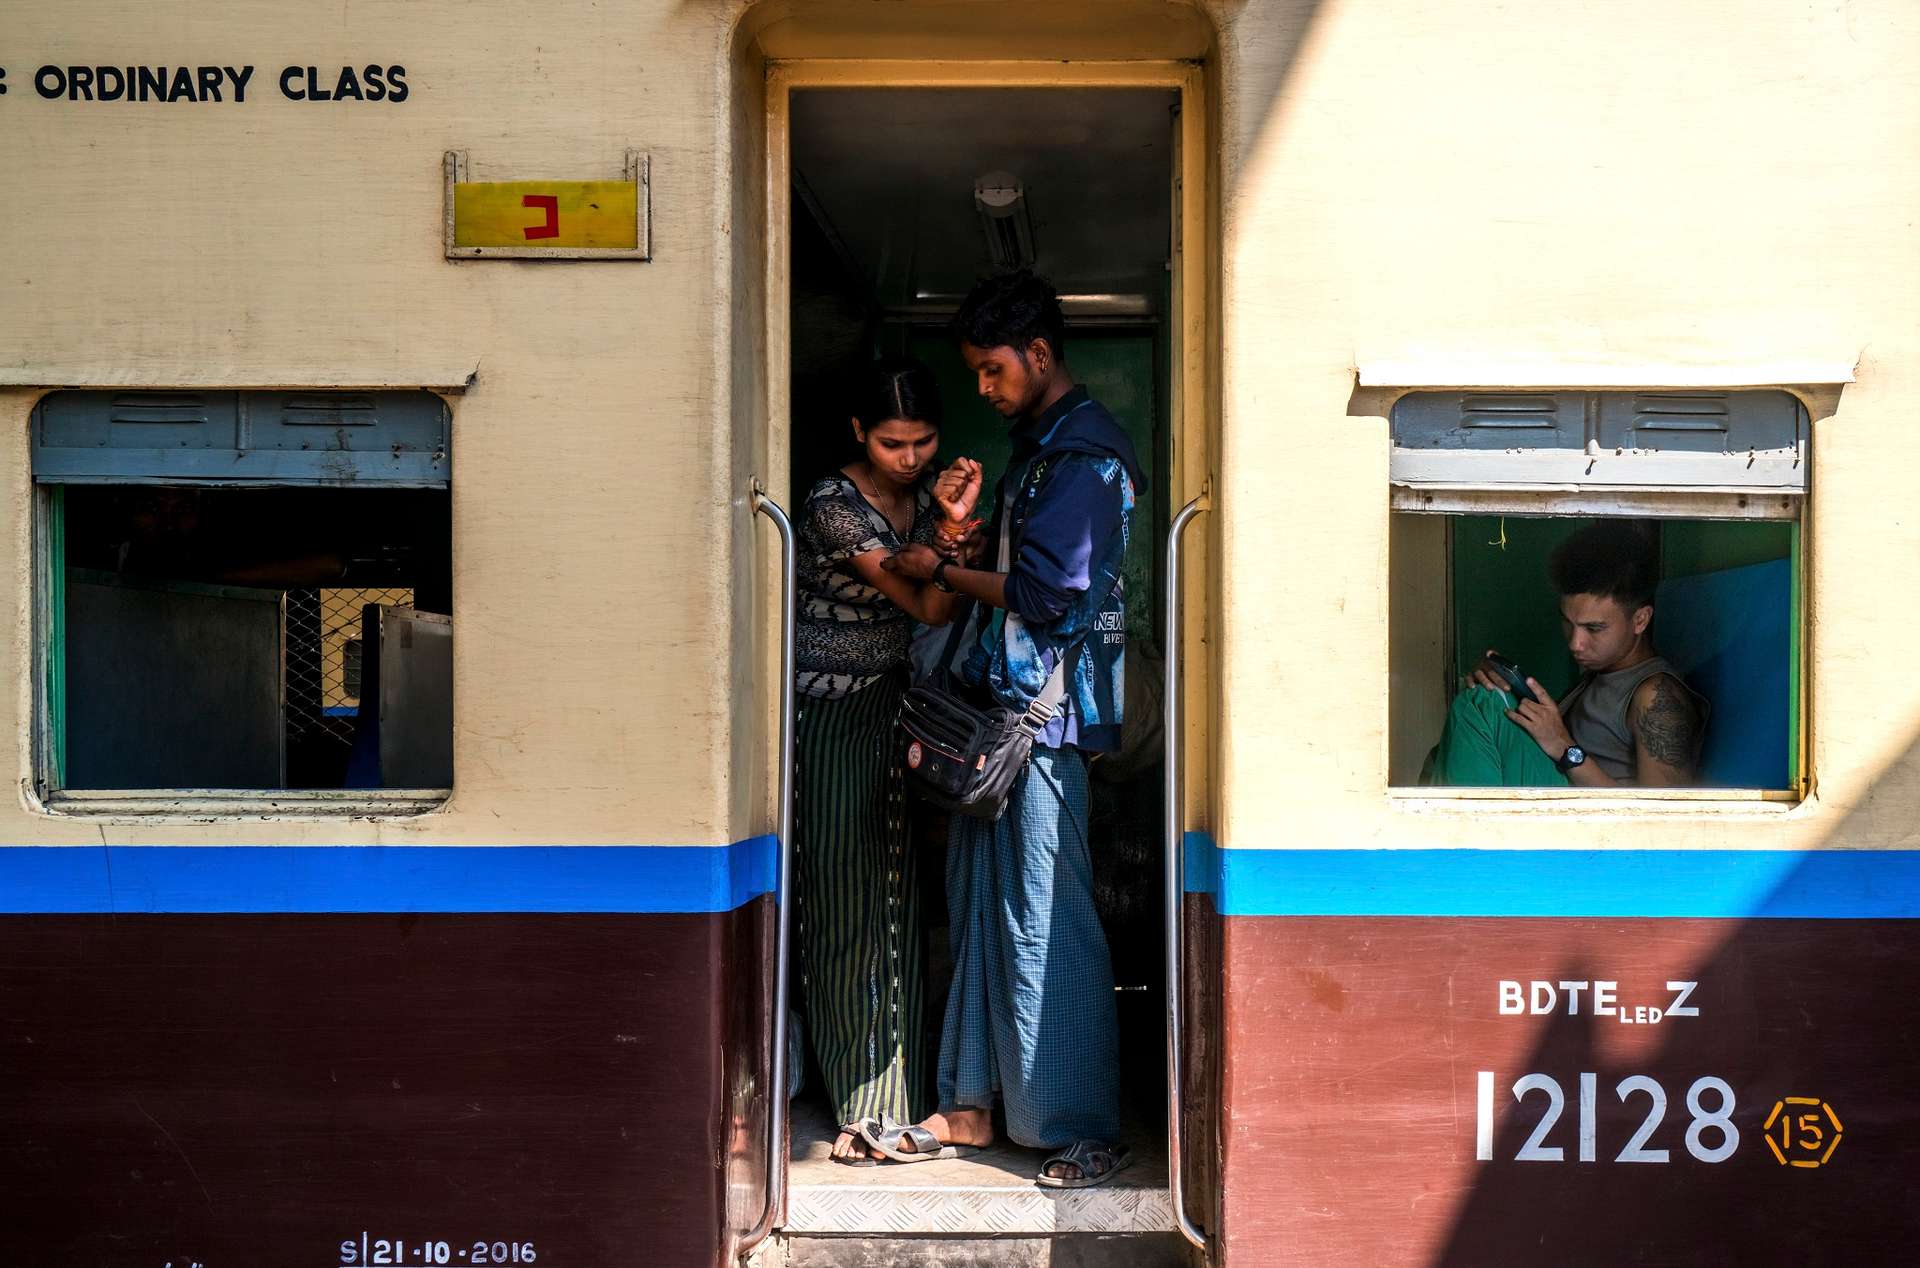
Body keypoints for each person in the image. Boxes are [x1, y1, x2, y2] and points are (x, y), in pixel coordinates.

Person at [874, 271, 1142, 1188]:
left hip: (1047, 726)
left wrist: (939, 574)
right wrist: (958, 540)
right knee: (988, 906)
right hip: (1008, 721)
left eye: (992, 372)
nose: (983, 390)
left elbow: (1047, 593)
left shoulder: (1084, 458)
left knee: (1046, 919)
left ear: (1037, 355)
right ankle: (974, 1103)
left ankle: (1078, 1124)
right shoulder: (1045, 450)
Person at [791, 358, 972, 1164]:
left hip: (903, 709)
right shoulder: (833, 506)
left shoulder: (922, 493)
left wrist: (941, 527)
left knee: (900, 901)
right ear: (859, 434)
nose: (911, 457)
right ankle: (862, 1101)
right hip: (831, 713)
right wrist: (949, 533)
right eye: (894, 443)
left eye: (924, 441)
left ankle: (899, 1095)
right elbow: (928, 600)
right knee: (845, 900)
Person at [1427, 520, 1708, 787]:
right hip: (1561, 802)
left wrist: (1566, 749)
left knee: (1481, 705)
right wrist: (1499, 684)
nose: (1575, 643)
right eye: (1568, 623)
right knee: (1479, 706)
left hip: (1593, 829)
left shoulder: (1656, 696)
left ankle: (1461, 836)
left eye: (1594, 628)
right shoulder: (1599, 676)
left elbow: (1662, 819)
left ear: (1640, 620)